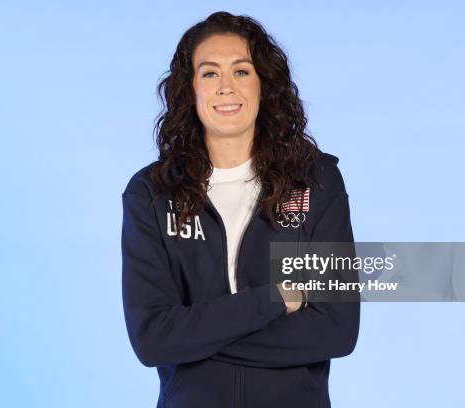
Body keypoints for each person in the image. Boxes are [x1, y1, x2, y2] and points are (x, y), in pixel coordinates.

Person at [121, 11, 359, 408]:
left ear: (265, 85)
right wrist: (276, 299)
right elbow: (152, 339)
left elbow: (336, 330)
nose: (226, 88)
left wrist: (194, 337)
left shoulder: (316, 182)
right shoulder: (152, 193)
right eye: (210, 74)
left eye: (242, 72)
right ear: (189, 89)